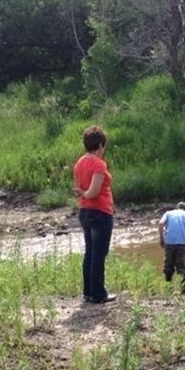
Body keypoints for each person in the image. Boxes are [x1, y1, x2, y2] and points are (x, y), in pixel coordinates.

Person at [73, 125, 116, 304]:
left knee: (90, 253)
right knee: (99, 254)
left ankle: (88, 292)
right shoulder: (99, 163)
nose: (103, 149)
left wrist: (82, 194)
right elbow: (93, 191)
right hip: (100, 211)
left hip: (85, 211)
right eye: (103, 146)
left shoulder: (79, 163)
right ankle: (98, 294)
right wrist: (85, 194)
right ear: (99, 145)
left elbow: (80, 190)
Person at [158, 201, 185, 294]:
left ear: (177, 207)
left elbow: (160, 224)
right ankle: (184, 290)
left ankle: (168, 289)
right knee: (181, 266)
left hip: (169, 242)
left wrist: (162, 239)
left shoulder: (168, 213)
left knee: (168, 264)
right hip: (182, 243)